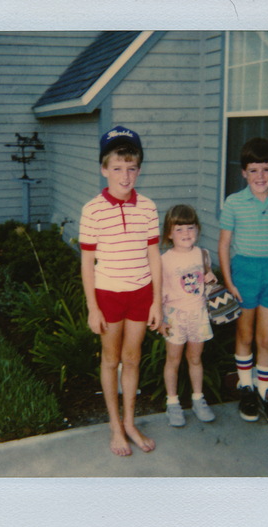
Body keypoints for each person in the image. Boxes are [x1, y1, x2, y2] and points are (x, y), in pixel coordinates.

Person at [79, 126, 162, 456]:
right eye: (117, 168)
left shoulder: (148, 207)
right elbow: (87, 263)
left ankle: (129, 422)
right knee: (111, 359)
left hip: (141, 293)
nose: (125, 176)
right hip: (108, 296)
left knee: (132, 358)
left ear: (139, 170)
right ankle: (114, 425)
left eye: (131, 168)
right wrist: (93, 308)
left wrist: (156, 302)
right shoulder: (92, 210)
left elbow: (154, 255)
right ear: (104, 169)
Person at [218, 137, 268, 425]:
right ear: (244, 173)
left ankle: (265, 392)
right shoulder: (234, 202)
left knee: (266, 338)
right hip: (244, 273)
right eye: (253, 170)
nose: (260, 176)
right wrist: (229, 282)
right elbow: (224, 244)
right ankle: (247, 389)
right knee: (245, 336)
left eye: (266, 169)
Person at [159, 204, 218, 427]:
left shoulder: (203, 254)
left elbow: (207, 281)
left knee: (195, 359)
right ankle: (172, 403)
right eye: (179, 229)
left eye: (190, 227)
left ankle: (198, 399)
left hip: (198, 315)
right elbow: (158, 292)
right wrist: (160, 319)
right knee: (173, 360)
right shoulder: (164, 260)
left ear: (198, 229)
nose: (186, 233)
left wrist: (211, 278)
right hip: (175, 316)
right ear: (169, 233)